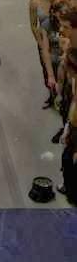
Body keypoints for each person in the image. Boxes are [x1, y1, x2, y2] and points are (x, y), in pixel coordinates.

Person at [29, 0, 60, 105]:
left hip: (59, 40)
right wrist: (40, 42)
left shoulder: (62, 0)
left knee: (60, 69)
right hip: (44, 40)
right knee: (47, 68)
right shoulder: (35, 3)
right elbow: (33, 24)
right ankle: (52, 95)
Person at [59, 47, 77, 203]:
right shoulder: (74, 80)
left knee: (72, 160)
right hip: (73, 126)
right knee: (67, 158)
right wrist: (68, 126)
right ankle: (69, 188)